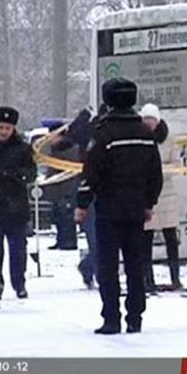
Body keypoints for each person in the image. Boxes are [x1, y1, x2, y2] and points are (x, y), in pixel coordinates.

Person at [74, 79, 162, 335]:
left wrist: (82, 204)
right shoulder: (146, 134)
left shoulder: (103, 134)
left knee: (108, 264)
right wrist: (149, 202)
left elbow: (91, 174)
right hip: (136, 209)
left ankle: (111, 318)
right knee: (136, 264)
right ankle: (135, 317)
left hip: (109, 208)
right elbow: (155, 173)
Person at [0, 107, 36, 299]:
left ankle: (19, 282)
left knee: (18, 248)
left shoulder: (22, 148)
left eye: (8, 128)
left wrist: (12, 174)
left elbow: (30, 173)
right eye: (0, 127)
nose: (4, 131)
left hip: (15, 205)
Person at [139, 103, 182, 292]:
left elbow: (176, 164)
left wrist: (159, 172)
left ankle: (175, 277)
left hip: (167, 194)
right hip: (146, 194)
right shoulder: (139, 138)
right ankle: (148, 279)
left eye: (152, 120)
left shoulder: (169, 138)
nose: (149, 123)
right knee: (145, 239)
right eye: (146, 120)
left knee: (171, 238)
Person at [68, 105, 109, 289]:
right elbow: (71, 136)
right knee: (95, 236)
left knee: (106, 238)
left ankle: (90, 267)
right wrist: (82, 118)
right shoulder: (91, 127)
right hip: (91, 188)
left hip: (112, 190)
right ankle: (98, 272)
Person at [43, 123, 80, 250]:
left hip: (66, 189)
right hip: (57, 189)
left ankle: (68, 242)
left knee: (66, 217)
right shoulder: (56, 148)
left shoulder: (68, 148)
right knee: (58, 217)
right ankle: (61, 240)